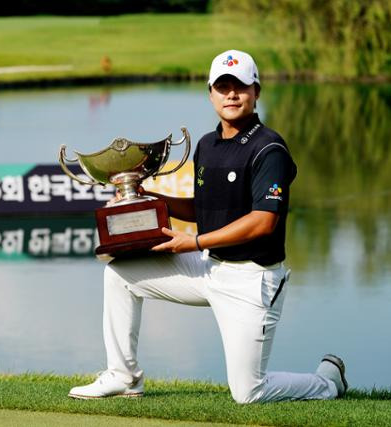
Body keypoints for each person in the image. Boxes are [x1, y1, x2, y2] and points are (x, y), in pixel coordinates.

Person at [68, 50, 348, 403]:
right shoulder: (207, 144)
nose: (231, 95)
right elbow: (203, 209)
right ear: (210, 93)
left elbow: (263, 222)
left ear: (256, 92)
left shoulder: (269, 148)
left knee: (249, 392)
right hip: (208, 268)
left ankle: (327, 382)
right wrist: (147, 196)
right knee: (121, 273)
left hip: (252, 280)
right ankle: (123, 377)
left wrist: (195, 242)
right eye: (223, 86)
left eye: (241, 87)